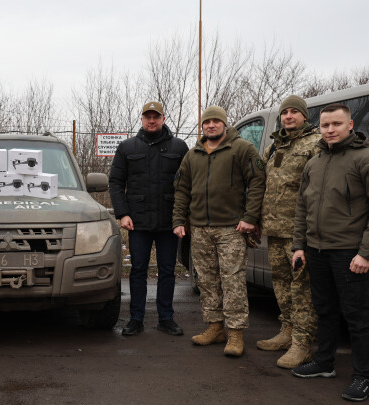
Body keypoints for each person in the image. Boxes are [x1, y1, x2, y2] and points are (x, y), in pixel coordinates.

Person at [291, 103, 369, 402]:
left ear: (350, 124)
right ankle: (325, 362)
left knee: (357, 317)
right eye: (325, 125)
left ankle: (363, 378)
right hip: (317, 250)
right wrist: (299, 245)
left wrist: (366, 252)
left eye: (336, 124)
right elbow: (302, 207)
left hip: (349, 252)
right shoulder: (315, 162)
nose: (330, 129)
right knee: (325, 310)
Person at [173, 105, 266, 357]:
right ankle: (215, 327)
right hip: (200, 229)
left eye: (216, 121)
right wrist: (178, 220)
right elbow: (182, 190)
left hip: (231, 229)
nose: (211, 125)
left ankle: (235, 333)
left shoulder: (242, 149)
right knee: (206, 280)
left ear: (225, 124)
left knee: (233, 281)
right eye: (207, 122)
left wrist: (250, 217)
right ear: (202, 126)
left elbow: (258, 181)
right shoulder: (193, 154)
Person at [109, 101, 188, 336]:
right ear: (141, 120)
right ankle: (136, 318)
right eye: (147, 116)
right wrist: (122, 213)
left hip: (168, 222)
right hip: (138, 222)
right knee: (138, 270)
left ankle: (166, 318)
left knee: (167, 270)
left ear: (164, 118)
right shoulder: (127, 148)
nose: (151, 120)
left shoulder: (179, 147)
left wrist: (182, 218)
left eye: (156, 116)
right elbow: (115, 182)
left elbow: (187, 184)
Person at [257, 95, 320, 368]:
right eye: (285, 112)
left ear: (305, 116)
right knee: (281, 284)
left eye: (295, 112)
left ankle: (302, 344)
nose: (289, 116)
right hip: (274, 229)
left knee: (302, 289)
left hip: (299, 233)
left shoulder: (316, 144)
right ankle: (287, 332)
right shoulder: (273, 148)